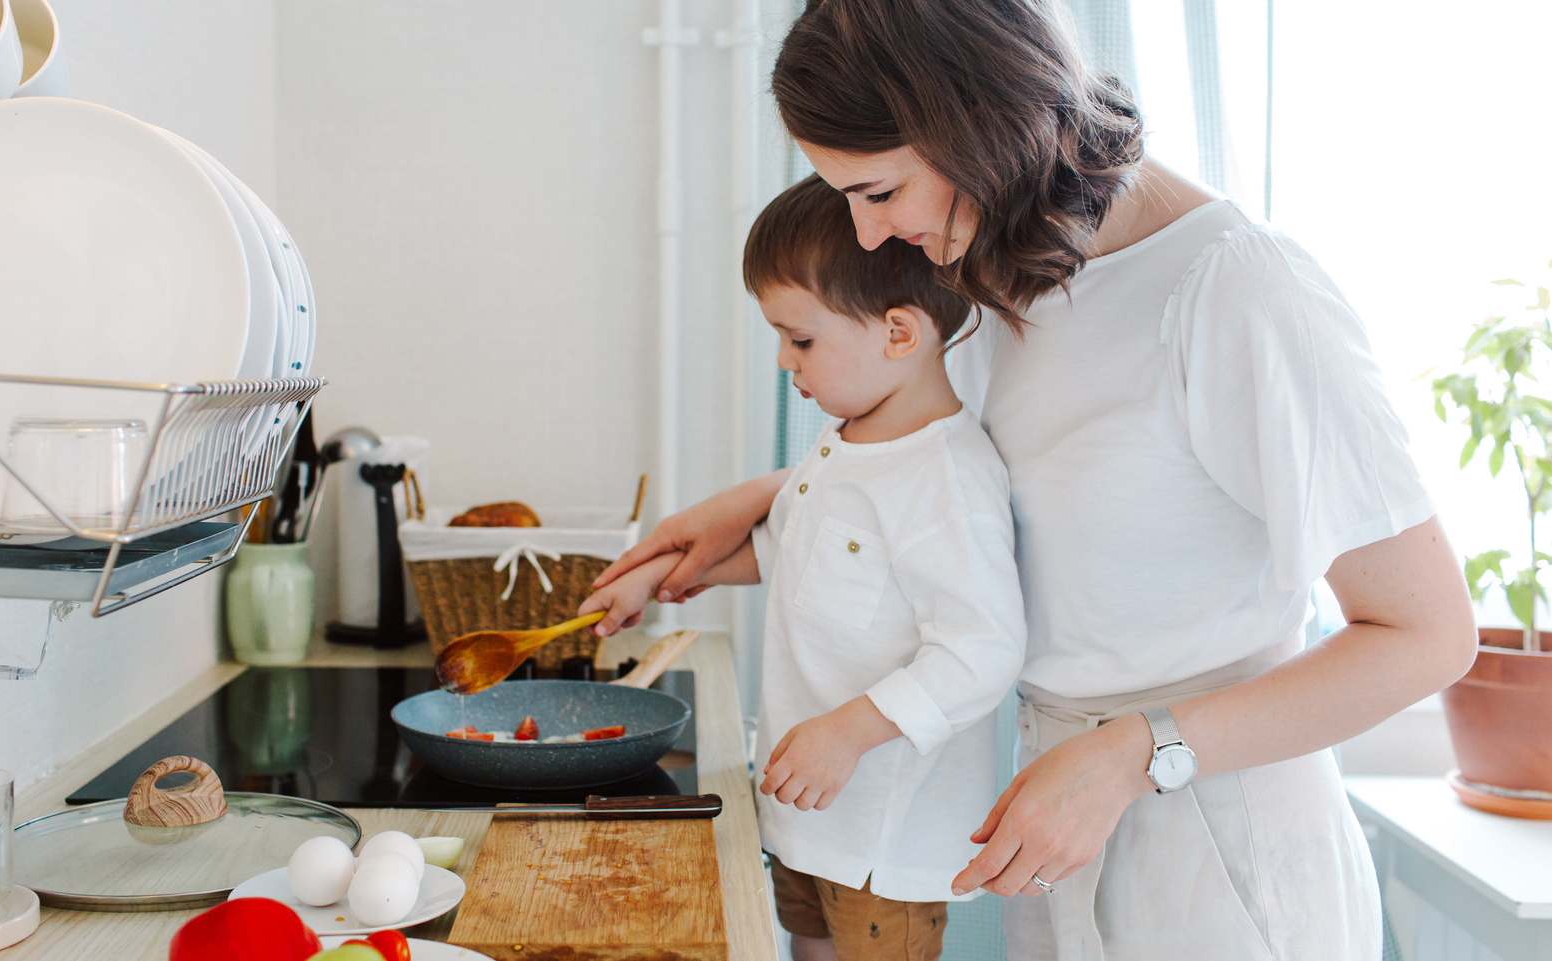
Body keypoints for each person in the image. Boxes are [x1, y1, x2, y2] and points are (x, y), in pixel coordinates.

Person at [590, 1, 1478, 958]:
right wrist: (749, 512)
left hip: (1217, 842)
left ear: (977, 127)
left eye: (878, 190)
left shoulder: (1238, 292)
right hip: (1054, 811)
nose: (868, 232)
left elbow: (1425, 636)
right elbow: (974, 498)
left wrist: (1133, 753)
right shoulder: (994, 275)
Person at [579, 174, 1026, 961]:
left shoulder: (944, 480)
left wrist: (850, 732)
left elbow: (981, 649)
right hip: (805, 813)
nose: (787, 361)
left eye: (802, 339)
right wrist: (678, 574)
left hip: (881, 838)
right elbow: (797, 552)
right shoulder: (846, 438)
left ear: (898, 333)